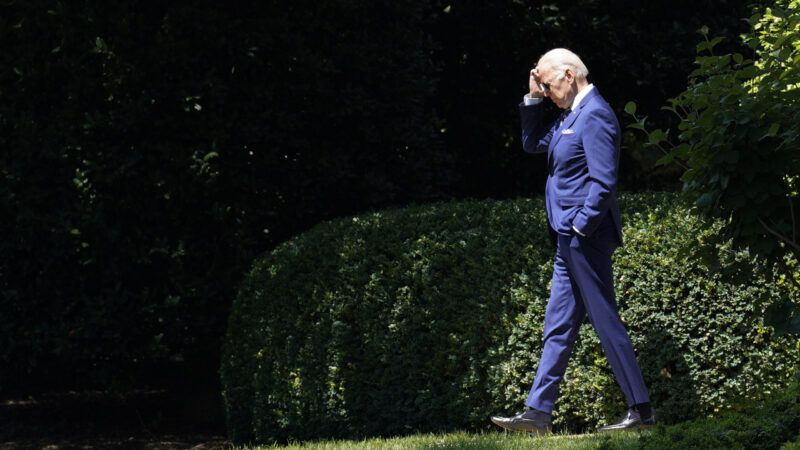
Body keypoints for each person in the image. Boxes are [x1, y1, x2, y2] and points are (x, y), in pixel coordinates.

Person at [490, 48, 654, 434]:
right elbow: (533, 144)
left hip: (585, 238)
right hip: (568, 239)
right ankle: (538, 412)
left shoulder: (594, 114)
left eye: (547, 84)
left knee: (604, 320)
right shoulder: (571, 115)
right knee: (558, 324)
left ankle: (642, 411)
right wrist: (531, 96)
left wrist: (580, 228)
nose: (546, 92)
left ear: (568, 74)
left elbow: (603, 181)